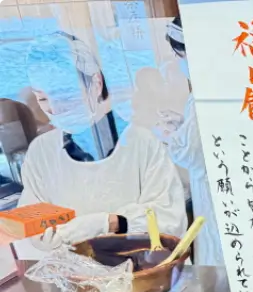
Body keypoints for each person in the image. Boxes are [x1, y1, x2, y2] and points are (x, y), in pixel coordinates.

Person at [16, 32, 187, 256]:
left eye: (64, 95)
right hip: (75, 281)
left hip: (142, 276)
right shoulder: (41, 153)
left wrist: (111, 223)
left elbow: (170, 220)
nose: (54, 108)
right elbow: (32, 227)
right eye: (43, 98)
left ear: (96, 84)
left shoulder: (141, 143)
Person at [155, 18, 223, 266]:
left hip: (214, 191)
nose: (178, 62)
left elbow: (191, 154)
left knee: (219, 252)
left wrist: (169, 136)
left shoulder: (204, 94)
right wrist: (182, 125)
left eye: (179, 55)